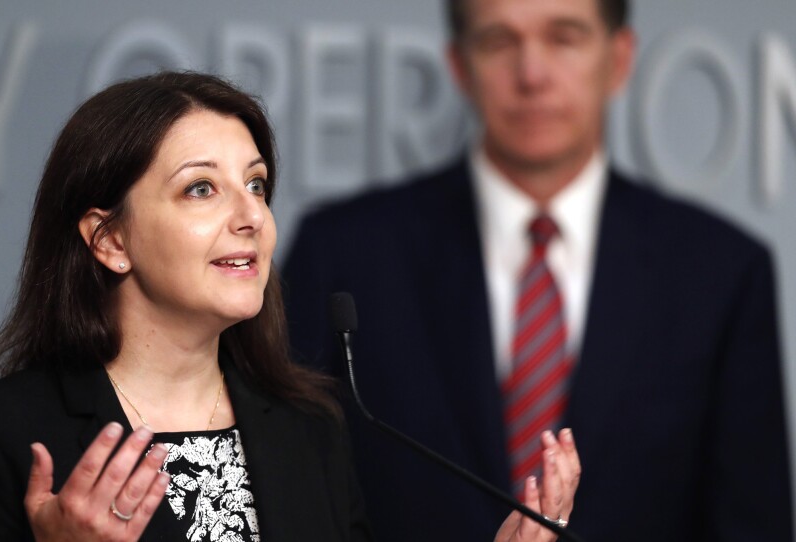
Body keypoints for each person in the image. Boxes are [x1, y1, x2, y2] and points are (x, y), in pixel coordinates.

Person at [0, 71, 579, 541]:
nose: (251, 217)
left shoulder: (309, 428)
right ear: (110, 240)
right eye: (201, 189)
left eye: (257, 185)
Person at [282, 0, 793, 541]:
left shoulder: (720, 273)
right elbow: (289, 497)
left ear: (619, 59)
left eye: (564, 38)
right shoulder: (344, 254)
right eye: (499, 41)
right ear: (459, 65)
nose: (532, 74)